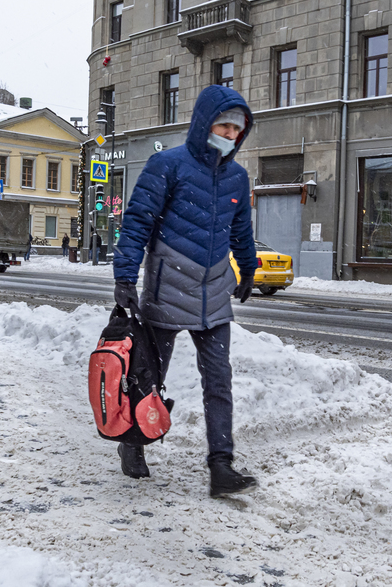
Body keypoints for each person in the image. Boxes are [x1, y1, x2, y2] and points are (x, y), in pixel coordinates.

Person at [112, 85, 258, 498]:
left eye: (237, 129)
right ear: (203, 123)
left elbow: (241, 228)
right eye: (224, 125)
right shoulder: (167, 165)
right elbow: (138, 221)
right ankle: (134, 443)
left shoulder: (237, 176)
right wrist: (125, 277)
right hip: (168, 286)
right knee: (150, 375)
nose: (230, 134)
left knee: (219, 380)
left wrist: (247, 267)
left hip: (214, 290)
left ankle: (221, 465)